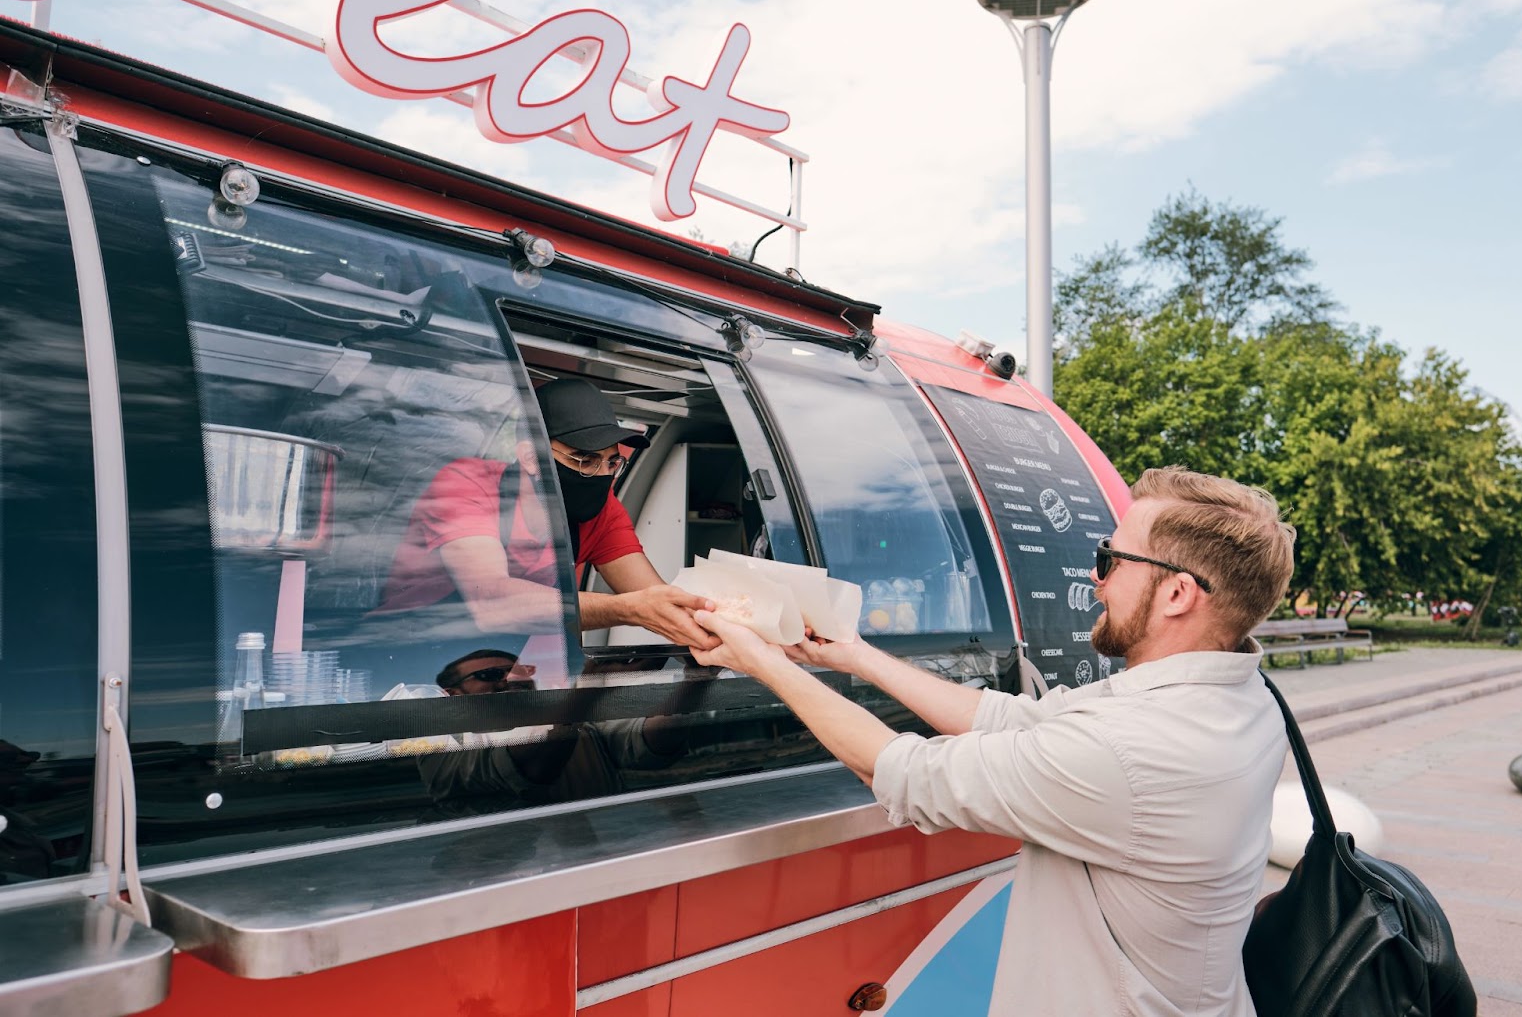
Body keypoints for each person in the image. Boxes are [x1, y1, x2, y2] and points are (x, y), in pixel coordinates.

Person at [690, 467, 1296, 1017]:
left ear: (1177, 593)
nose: (1095, 576)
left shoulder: (1133, 750)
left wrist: (763, 662)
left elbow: (900, 770)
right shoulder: (1241, 696)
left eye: (1111, 558)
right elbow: (1012, 719)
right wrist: (855, 657)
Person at [376, 377, 715, 649]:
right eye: (584, 460)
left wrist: (720, 623)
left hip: (498, 665)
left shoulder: (602, 511)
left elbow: (653, 598)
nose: (601, 475)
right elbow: (492, 604)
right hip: (402, 652)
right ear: (530, 458)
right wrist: (626, 610)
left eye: (612, 462)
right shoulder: (467, 484)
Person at [419, 649, 689, 809]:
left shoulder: (578, 721)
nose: (510, 679)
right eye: (490, 675)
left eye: (520, 671)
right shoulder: (441, 748)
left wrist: (697, 677)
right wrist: (589, 690)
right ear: (452, 694)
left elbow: (648, 740)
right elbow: (533, 767)